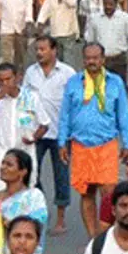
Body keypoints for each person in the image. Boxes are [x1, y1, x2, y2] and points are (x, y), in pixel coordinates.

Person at [59, 42, 128, 237]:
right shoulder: (74, 83)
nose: (91, 62)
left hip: (107, 144)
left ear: (103, 59)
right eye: (88, 58)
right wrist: (62, 142)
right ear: (83, 60)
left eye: (95, 58)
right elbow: (65, 115)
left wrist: (127, 142)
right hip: (80, 145)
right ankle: (93, 237)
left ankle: (108, 236)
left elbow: (123, 114)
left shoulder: (115, 82)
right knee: (87, 193)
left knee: (109, 194)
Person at [23, 36, 76, 236]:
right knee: (31, 172)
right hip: (36, 132)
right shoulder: (31, 72)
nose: (39, 53)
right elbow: (25, 102)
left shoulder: (67, 73)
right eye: (37, 49)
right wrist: (24, 129)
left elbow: (75, 103)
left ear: (54, 50)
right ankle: (40, 207)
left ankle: (61, 218)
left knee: (61, 174)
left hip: (60, 133)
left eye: (43, 49)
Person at [0, 62, 49, 192]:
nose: (5, 84)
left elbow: (44, 124)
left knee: (27, 191)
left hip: (25, 152)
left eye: (8, 79)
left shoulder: (31, 97)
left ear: (17, 78)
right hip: (2, 152)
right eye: (1, 80)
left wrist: (34, 138)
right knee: (0, 192)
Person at [84, 0, 128, 82]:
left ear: (116, 3)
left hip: (119, 60)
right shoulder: (94, 18)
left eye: (111, 4)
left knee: (120, 87)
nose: (108, 7)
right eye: (105, 4)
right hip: (101, 61)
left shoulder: (124, 18)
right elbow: (90, 39)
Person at [0, 0, 35, 67]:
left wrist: (27, 28)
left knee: (20, 59)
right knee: (7, 59)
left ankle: (18, 78)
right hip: (5, 31)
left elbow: (29, 15)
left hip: (20, 30)